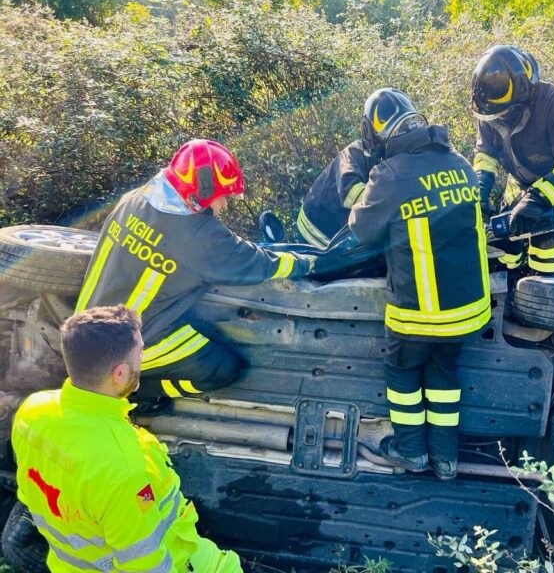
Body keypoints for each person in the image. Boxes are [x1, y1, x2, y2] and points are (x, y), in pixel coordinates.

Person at [75, 139, 314, 406]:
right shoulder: (200, 235)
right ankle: (138, 394)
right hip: (131, 345)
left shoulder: (133, 200)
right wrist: (309, 263)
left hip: (85, 328)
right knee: (225, 369)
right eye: (223, 196)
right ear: (203, 188)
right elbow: (262, 264)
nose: (224, 205)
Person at [11, 304, 242, 572]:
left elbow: (31, 492)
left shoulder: (33, 409)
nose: (142, 359)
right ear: (119, 374)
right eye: (140, 353)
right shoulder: (124, 470)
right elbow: (146, 567)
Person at [349, 89, 491, 481]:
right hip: (468, 313)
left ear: (378, 133)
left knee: (402, 373)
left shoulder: (391, 175)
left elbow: (361, 231)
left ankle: (411, 452)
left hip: (419, 315)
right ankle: (446, 460)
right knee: (444, 376)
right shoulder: (459, 163)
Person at [471, 45, 554, 313]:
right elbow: (486, 153)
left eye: (503, 112)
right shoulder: (489, 107)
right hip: (520, 180)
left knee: (544, 241)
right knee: (504, 235)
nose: (498, 118)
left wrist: (539, 198)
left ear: (524, 94)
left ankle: (543, 298)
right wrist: (480, 186)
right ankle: (509, 289)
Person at [295, 139, 380, 247]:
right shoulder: (354, 152)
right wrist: (389, 201)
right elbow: (351, 192)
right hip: (316, 227)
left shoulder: (388, 155)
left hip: (342, 230)